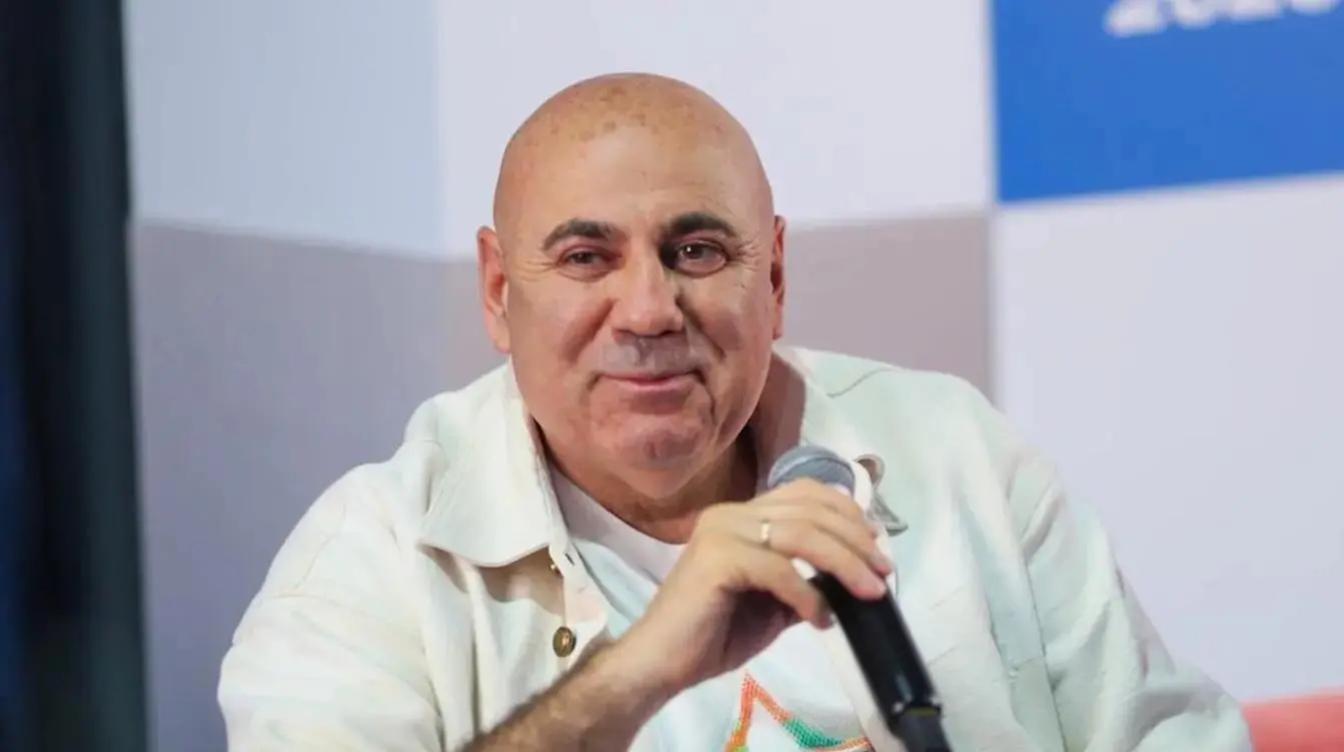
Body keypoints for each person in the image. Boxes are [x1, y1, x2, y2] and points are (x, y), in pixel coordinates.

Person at [218, 73, 1251, 751]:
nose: (648, 310)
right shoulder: (370, 564)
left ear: (777, 276)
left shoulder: (956, 454)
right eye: (586, 258)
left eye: (697, 251)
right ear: (498, 291)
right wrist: (641, 670)